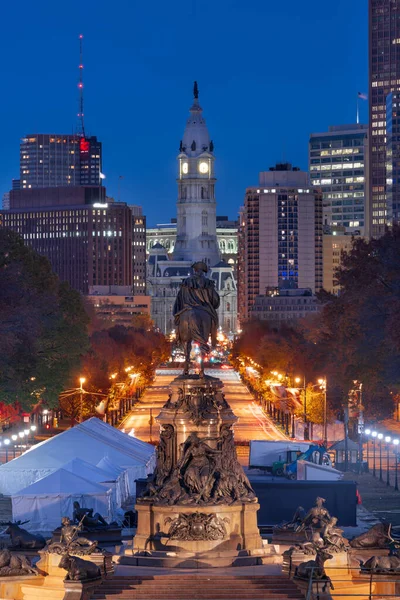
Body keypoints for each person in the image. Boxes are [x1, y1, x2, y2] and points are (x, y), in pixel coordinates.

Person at [173, 261, 220, 376]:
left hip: (187, 309)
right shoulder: (208, 283)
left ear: (194, 270)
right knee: (214, 321)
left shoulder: (186, 282)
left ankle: (185, 367)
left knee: (180, 323)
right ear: (203, 272)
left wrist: (178, 311)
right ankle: (203, 369)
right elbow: (214, 300)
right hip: (203, 309)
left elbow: (179, 299)